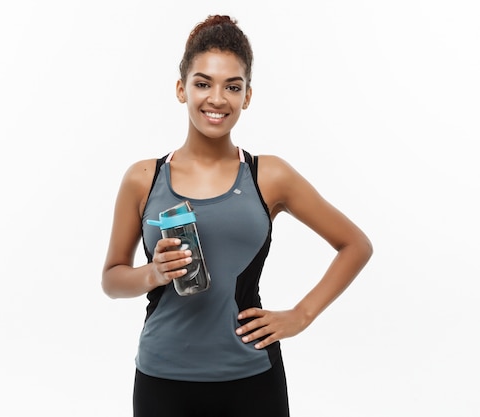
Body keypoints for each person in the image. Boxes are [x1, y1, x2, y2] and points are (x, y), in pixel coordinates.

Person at [101, 15, 373, 417]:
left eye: (232, 86)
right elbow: (111, 279)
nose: (217, 98)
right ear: (182, 89)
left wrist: (301, 315)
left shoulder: (270, 176)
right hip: (162, 380)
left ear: (247, 96)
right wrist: (153, 274)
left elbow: (355, 245)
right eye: (203, 83)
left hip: (252, 379)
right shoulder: (143, 178)